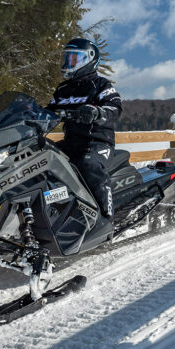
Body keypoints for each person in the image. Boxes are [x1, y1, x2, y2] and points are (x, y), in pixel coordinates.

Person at [46, 38, 122, 220]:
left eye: (73, 59)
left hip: (97, 142)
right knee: (40, 155)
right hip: (71, 143)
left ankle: (105, 218)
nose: (67, 63)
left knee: (89, 166)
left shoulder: (101, 84)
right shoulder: (63, 89)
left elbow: (115, 107)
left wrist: (97, 111)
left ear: (88, 59)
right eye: (66, 58)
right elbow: (47, 112)